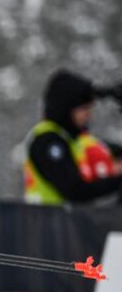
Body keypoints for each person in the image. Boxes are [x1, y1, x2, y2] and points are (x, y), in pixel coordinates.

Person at [23, 69, 122, 204]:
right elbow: (74, 190)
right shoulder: (47, 141)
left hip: (70, 222)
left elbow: (109, 152)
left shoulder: (77, 141)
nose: (88, 114)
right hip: (46, 221)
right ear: (65, 108)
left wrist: (107, 93)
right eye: (83, 109)